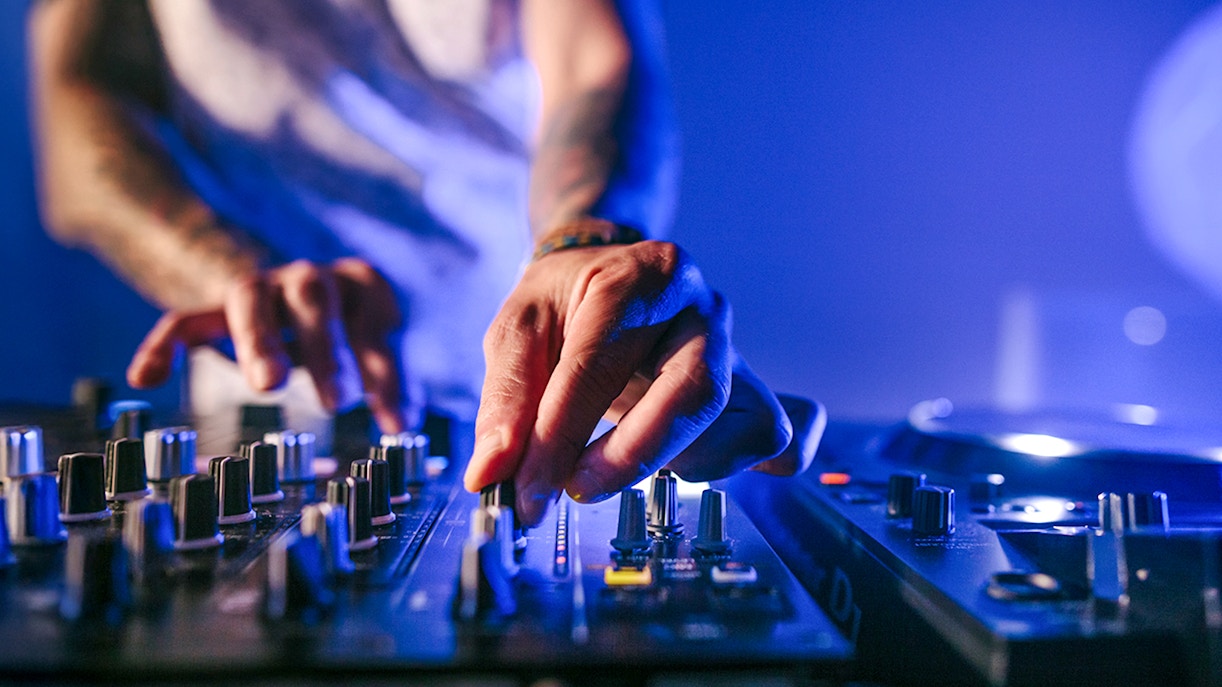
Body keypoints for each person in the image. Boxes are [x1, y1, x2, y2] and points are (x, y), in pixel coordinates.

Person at [29, 0, 820, 526]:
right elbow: (81, 106)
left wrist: (587, 246)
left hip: (546, 394)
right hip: (266, 404)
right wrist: (237, 280)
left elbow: (594, 64)